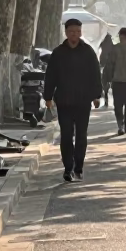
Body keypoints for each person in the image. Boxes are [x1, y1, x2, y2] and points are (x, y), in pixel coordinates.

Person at [43, 19, 102, 182]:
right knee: (66, 135)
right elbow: (51, 76)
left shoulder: (88, 52)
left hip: (83, 101)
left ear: (81, 32)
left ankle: (79, 167)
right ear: (66, 33)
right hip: (64, 101)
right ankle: (68, 168)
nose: (74, 34)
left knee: (81, 135)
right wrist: (48, 97)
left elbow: (95, 74)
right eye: (71, 31)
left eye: (77, 31)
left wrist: (97, 95)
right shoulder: (58, 53)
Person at [99, 32, 114, 107]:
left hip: (104, 68)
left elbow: (101, 58)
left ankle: (106, 99)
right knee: (113, 83)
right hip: (112, 68)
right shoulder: (113, 47)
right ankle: (115, 99)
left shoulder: (102, 45)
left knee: (105, 84)